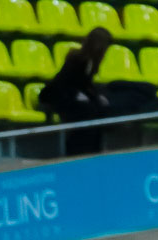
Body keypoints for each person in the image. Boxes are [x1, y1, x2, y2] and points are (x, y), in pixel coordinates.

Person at [38, 27, 113, 156]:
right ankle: (76, 149)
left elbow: (85, 84)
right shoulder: (76, 59)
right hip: (58, 95)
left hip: (73, 95)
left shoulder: (92, 62)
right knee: (87, 110)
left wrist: (96, 96)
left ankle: (96, 148)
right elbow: (62, 83)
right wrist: (76, 94)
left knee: (100, 107)